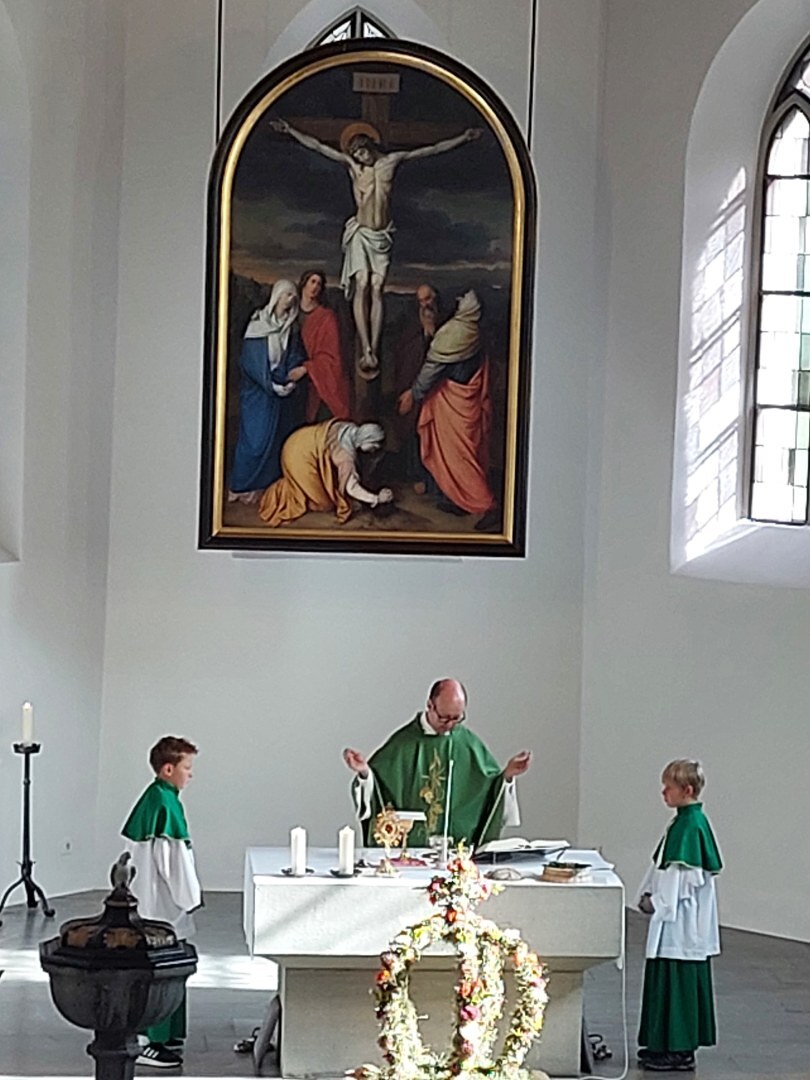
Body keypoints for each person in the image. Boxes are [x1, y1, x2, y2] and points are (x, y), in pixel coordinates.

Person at [270, 117, 481, 376]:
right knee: (362, 283)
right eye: (356, 155)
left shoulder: (392, 161)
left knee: (377, 287)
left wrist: (463, 138)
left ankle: (375, 345)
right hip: (361, 233)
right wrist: (291, 130)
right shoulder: (355, 168)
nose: (360, 158)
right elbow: (319, 147)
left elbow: (430, 149)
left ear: (369, 145)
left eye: (362, 152)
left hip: (382, 236)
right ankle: (366, 347)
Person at [343, 678, 531, 849]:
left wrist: (508, 775)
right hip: (411, 855)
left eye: (456, 718)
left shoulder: (467, 743)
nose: (449, 724)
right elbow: (377, 786)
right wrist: (364, 772)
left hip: (455, 854)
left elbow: (490, 787)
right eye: (444, 717)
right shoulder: (402, 743)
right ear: (430, 706)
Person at [636, 759, 723, 1073]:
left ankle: (680, 1049)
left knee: (678, 982)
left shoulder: (689, 826)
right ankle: (662, 1043)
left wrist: (657, 903)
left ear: (686, 790)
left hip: (682, 923)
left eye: (668, 787)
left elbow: (682, 878)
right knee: (667, 978)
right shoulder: (684, 822)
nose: (663, 792)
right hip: (676, 920)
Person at [121, 736, 202, 1070]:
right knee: (161, 969)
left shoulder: (157, 796)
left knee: (165, 968)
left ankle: (166, 1034)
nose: (190, 774)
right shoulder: (165, 803)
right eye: (187, 767)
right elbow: (173, 862)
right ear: (168, 769)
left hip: (150, 899)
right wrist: (191, 898)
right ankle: (148, 1042)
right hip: (159, 905)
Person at [397, 289, 499, 530]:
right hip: (465, 403)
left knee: (460, 457)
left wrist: (413, 394)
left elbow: (432, 369)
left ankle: (488, 505)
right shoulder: (472, 330)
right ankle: (458, 498)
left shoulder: (455, 332)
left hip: (454, 405)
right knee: (463, 454)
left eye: (461, 301)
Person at [228, 279, 308, 503]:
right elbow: (250, 363)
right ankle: (242, 486)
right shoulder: (258, 325)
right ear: (277, 296)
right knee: (255, 441)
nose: (291, 299)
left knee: (276, 441)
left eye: (293, 296)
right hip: (258, 393)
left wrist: (290, 379)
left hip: (280, 391)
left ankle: (266, 488)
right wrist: (271, 386)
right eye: (287, 294)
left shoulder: (291, 328)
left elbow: (294, 355)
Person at [258, 419, 393, 526]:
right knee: (324, 504)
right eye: (374, 445)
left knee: (327, 492)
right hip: (299, 455)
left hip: (297, 440)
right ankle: (277, 495)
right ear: (366, 439)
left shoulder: (349, 429)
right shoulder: (345, 456)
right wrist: (376, 498)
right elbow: (351, 488)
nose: (374, 450)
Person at [392, 283, 441, 491]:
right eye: (421, 301)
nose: (425, 305)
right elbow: (403, 357)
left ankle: (432, 478)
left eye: (428, 299)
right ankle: (415, 473)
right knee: (412, 428)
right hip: (411, 386)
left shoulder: (444, 324)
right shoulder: (411, 328)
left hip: (437, 391)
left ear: (435, 297)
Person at [297, 269, 352, 422]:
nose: (315, 287)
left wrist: (307, 368)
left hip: (315, 381)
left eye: (319, 284)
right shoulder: (291, 313)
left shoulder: (326, 317)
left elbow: (331, 356)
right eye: (312, 282)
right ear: (304, 284)